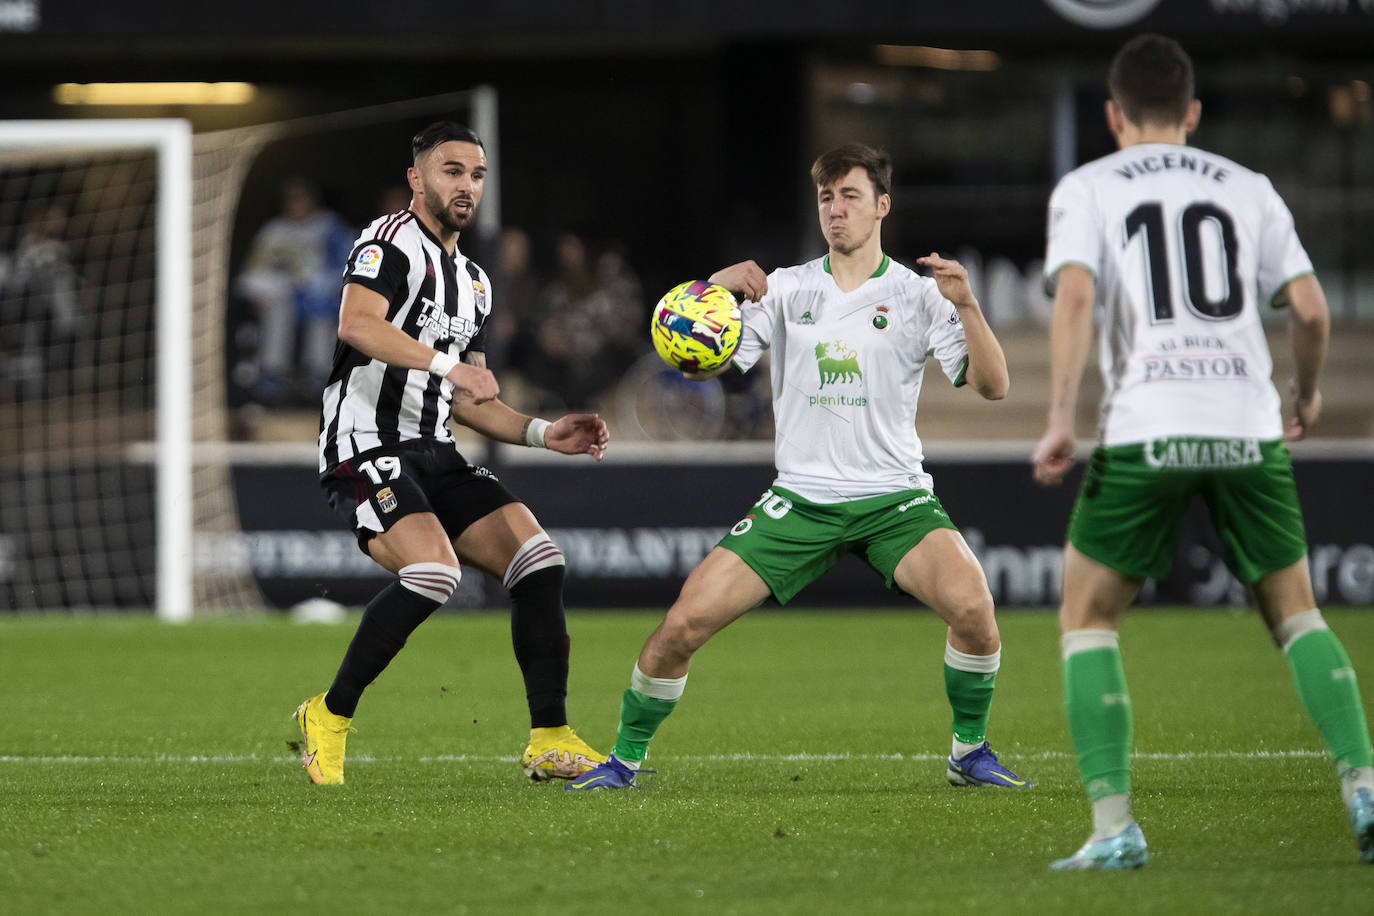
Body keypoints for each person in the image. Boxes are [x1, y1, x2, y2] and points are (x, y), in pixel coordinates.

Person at [568, 143, 1029, 792]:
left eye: (849, 196)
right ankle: (623, 761)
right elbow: (701, 360)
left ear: (882, 206)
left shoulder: (919, 296)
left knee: (976, 613)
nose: (835, 210)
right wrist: (714, 289)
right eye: (825, 197)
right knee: (681, 625)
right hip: (802, 500)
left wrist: (968, 306)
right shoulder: (785, 288)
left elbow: (995, 386)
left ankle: (968, 753)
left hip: (893, 500)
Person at [1031, 34, 1374, 870]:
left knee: (1087, 617)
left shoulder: (1087, 186)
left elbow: (1074, 292)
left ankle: (1115, 830)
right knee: (1296, 613)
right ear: (1191, 113)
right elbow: (1311, 308)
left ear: (1113, 115)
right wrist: (1304, 393)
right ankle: (1364, 786)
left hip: (1148, 424)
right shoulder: (1248, 187)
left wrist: (1060, 416)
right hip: (1246, 423)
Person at [295, 121, 609, 785]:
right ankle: (328, 714)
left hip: (436, 448)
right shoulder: (388, 241)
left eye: (477, 174)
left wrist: (541, 432)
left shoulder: (474, 282)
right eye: (451, 170)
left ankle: (549, 737)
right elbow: (357, 324)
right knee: (435, 575)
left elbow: (471, 397)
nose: (466, 185)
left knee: (539, 563)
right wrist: (447, 365)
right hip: (366, 444)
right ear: (417, 178)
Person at [234, 177, 356, 403]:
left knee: (322, 310)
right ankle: (273, 375)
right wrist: (257, 291)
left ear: (313, 200)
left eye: (302, 198)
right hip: (285, 295)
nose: (297, 203)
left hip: (322, 295)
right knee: (277, 310)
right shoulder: (274, 230)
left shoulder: (329, 225)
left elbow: (349, 262)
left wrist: (334, 289)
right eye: (292, 199)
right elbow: (254, 270)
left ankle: (318, 374)